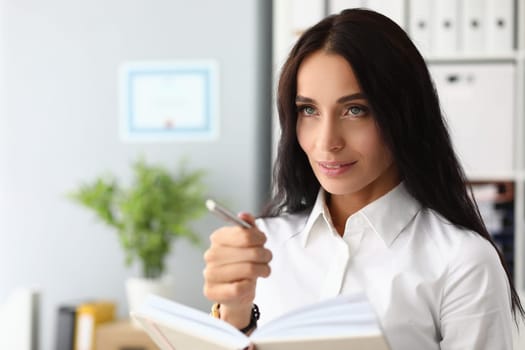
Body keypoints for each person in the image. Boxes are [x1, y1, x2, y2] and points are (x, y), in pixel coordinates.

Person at [203, 8, 523, 349]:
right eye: (308, 110)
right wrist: (235, 314)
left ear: (403, 115)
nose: (326, 142)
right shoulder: (265, 246)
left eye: (355, 110)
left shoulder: (463, 261)